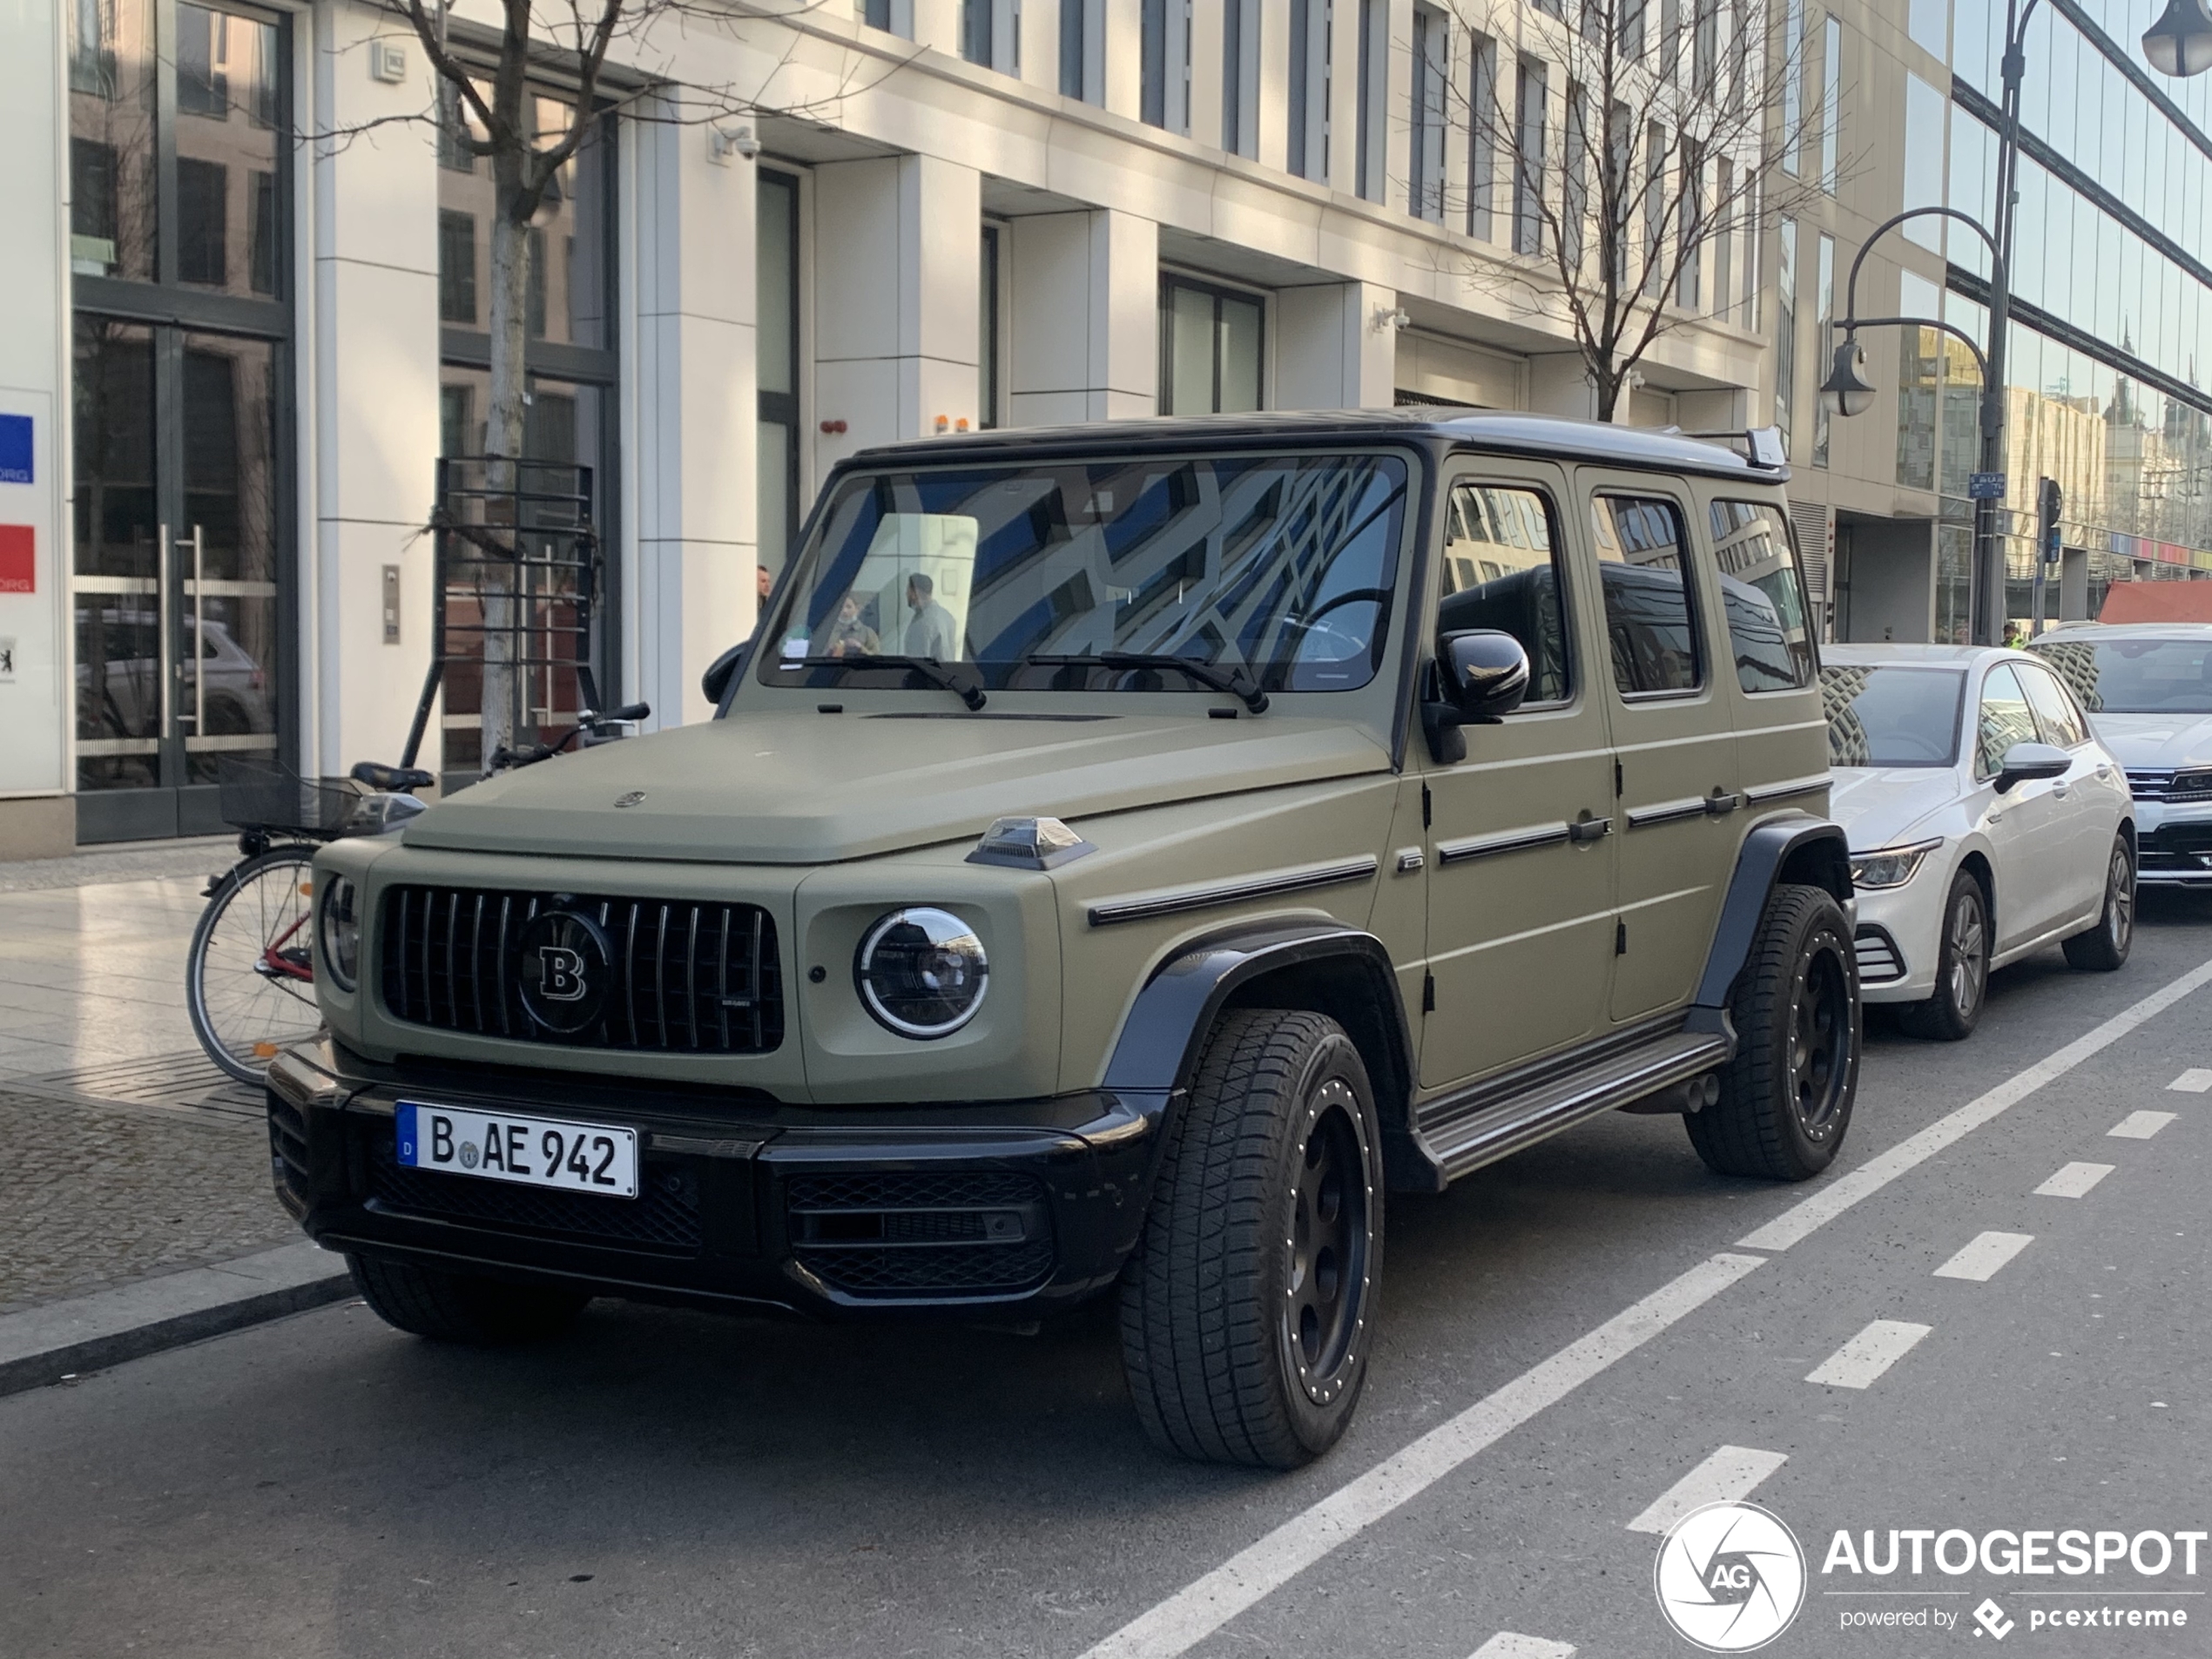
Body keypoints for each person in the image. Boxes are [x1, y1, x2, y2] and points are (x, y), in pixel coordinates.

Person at [903, 572, 958, 660]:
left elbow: (917, 660)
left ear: (916, 592)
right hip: (947, 671)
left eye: (908, 590)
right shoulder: (947, 616)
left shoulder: (923, 622)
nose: (906, 594)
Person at [822, 590, 880, 658]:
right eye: (841, 607)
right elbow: (816, 654)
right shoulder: (827, 631)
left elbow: (876, 658)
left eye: (849, 607)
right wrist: (830, 650)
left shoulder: (868, 633)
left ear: (857, 609)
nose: (844, 611)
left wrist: (860, 648)